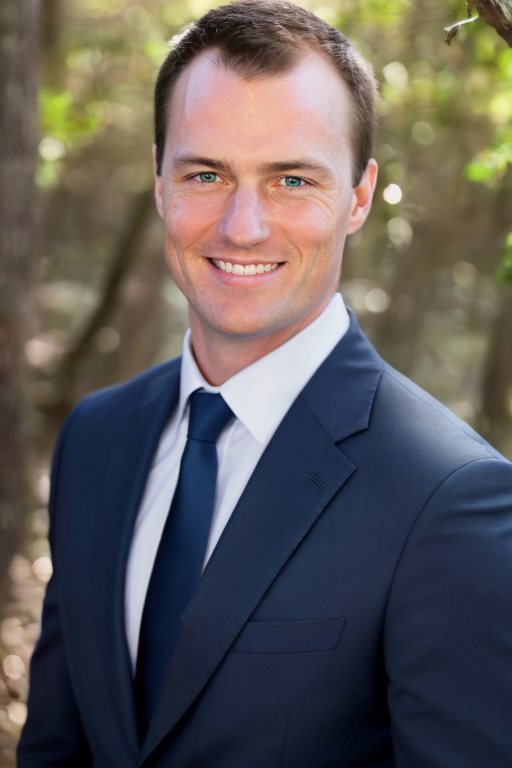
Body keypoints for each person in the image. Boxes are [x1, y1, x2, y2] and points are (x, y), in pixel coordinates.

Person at [18, 2, 512, 766]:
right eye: (206, 174)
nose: (242, 226)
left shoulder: (450, 497)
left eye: (291, 179)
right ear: (160, 181)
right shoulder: (96, 438)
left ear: (358, 196)